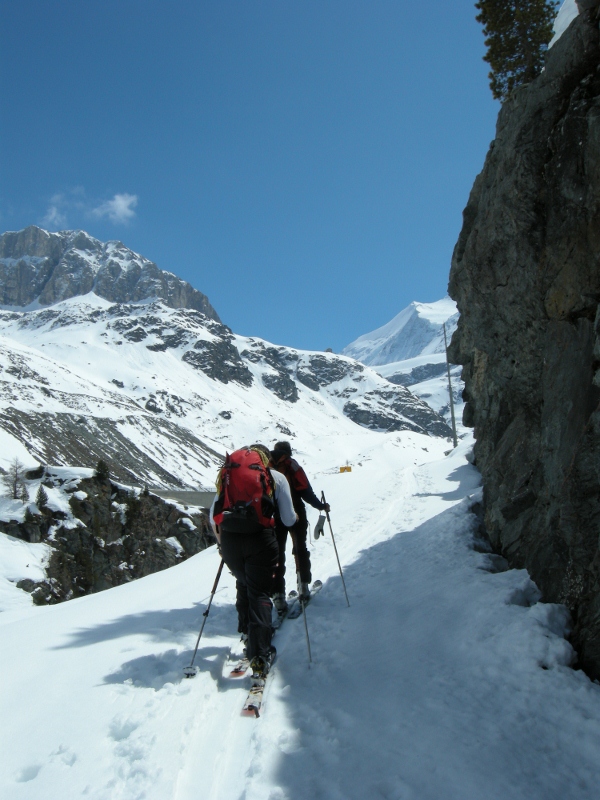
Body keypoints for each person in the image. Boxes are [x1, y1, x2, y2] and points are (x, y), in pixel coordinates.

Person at [210, 444, 297, 678]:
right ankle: (260, 653)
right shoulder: (275, 477)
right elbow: (288, 519)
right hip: (261, 539)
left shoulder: (227, 475)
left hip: (230, 540)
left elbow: (213, 515)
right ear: (265, 459)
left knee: (243, 582)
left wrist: (222, 543)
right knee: (259, 592)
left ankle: (247, 631)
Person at [270, 441, 330, 609]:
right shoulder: (292, 465)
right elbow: (305, 491)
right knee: (300, 549)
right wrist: (321, 506)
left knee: (277, 553)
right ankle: (303, 587)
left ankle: (278, 596)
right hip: (295, 512)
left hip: (274, 515)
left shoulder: (268, 467)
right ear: (288, 452)